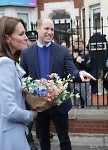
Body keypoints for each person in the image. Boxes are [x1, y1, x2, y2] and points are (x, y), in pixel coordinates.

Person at [20, 17, 95, 150]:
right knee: (43, 139)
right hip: (39, 105)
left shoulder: (61, 50)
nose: (50, 32)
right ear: (38, 29)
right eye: (46, 28)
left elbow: (71, 70)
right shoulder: (26, 53)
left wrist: (79, 74)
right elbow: (23, 78)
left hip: (59, 104)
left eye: (52, 29)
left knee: (64, 139)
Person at [0, 16, 36, 150]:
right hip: (9, 133)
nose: (26, 38)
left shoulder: (4, 62)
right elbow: (10, 111)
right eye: (21, 34)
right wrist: (31, 115)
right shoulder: (3, 63)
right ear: (7, 38)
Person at [25, 30, 38, 150]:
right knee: (28, 119)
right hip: (24, 91)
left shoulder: (35, 52)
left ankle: (39, 133)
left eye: (35, 40)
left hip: (36, 89)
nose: (33, 42)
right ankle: (29, 141)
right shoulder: (22, 53)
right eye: (31, 40)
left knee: (38, 113)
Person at [71, 38, 92, 107]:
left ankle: (89, 111)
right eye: (76, 44)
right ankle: (76, 112)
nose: (78, 46)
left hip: (84, 80)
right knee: (75, 98)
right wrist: (74, 59)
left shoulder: (86, 54)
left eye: (80, 44)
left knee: (86, 97)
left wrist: (82, 62)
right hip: (74, 80)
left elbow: (89, 67)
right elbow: (69, 67)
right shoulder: (71, 55)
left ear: (83, 45)